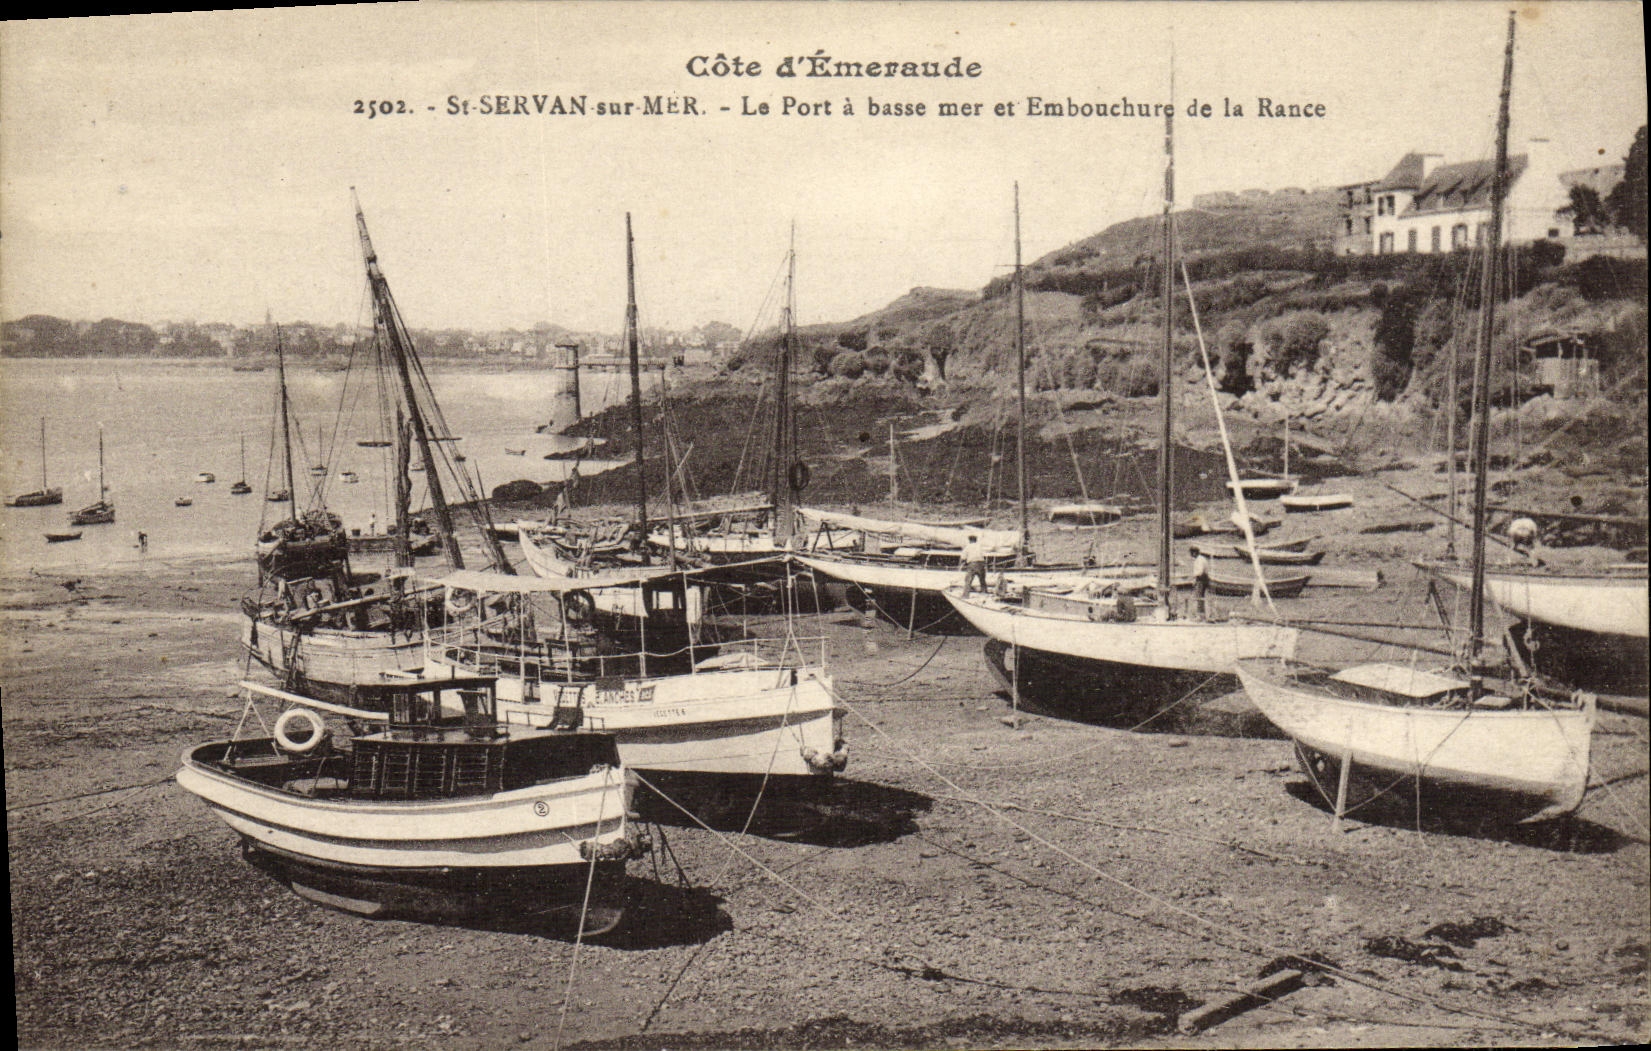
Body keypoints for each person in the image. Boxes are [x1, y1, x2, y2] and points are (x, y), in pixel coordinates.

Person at [1190, 545, 1211, 618]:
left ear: (1194, 553)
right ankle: (1202, 613)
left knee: (1199, 596)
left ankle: (1200, 614)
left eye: (1191, 553)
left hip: (1201, 579)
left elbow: (1200, 572)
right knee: (1201, 596)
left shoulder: (1199, 560)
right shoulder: (1202, 559)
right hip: (1205, 578)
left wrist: (1193, 577)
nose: (1191, 555)